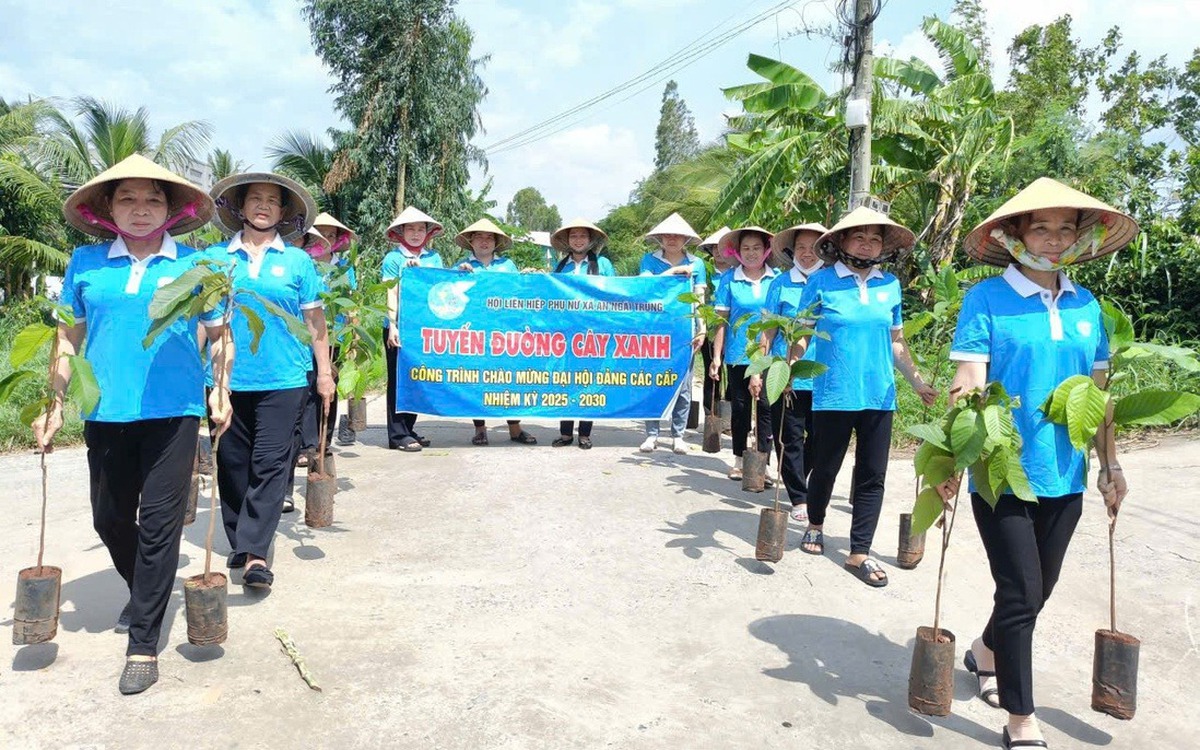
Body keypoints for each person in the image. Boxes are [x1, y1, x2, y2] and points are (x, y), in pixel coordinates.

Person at [939, 178, 1133, 748]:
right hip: (1001, 469)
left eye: (1065, 229)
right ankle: (1021, 718)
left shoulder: (1086, 305)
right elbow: (967, 383)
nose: (1053, 239)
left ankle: (985, 650)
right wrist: (952, 457)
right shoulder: (986, 300)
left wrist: (1111, 465)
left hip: (1065, 472)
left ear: (1079, 237)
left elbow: (1099, 396)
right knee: (1022, 593)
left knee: (1038, 588)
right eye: (1040, 227)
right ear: (1015, 236)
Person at [33, 154, 229, 694]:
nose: (141, 209)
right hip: (104, 409)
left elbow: (219, 336)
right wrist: (54, 402)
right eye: (128, 198)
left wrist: (221, 389)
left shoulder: (196, 266)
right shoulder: (86, 264)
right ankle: (146, 588)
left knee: (161, 524)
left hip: (174, 411)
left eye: (153, 199)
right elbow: (67, 339)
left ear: (171, 209)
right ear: (108, 207)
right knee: (110, 518)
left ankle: (143, 641)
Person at [793, 207, 937, 587]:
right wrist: (789, 367)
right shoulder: (821, 282)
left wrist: (917, 381)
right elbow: (803, 334)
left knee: (873, 475)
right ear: (841, 241)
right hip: (834, 392)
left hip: (879, 394)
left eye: (875, 239)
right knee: (826, 467)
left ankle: (860, 551)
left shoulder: (889, 285)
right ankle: (815, 523)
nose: (867, 245)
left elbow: (896, 341)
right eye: (859, 237)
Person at [208, 172, 329, 590]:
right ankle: (240, 539)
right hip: (226, 379)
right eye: (255, 198)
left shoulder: (297, 262)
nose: (263, 206)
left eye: (272, 201)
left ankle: (256, 553)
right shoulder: (216, 259)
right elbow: (203, 323)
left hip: (284, 377)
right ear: (240, 207)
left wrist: (324, 373)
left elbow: (315, 321)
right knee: (231, 464)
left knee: (271, 463)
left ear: (283, 213)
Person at [762, 222, 827, 522]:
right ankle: (799, 496)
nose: (807, 254)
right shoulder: (780, 283)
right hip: (785, 373)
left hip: (823, 375)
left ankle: (802, 477)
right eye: (800, 247)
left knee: (820, 438)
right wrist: (758, 369)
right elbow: (768, 329)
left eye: (813, 248)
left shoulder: (831, 283)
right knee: (789, 436)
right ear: (792, 251)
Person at [454, 218, 537, 446]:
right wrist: (459, 276)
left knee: (509, 379)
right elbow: (448, 293)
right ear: (471, 241)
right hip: (475, 333)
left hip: (504, 332)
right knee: (476, 379)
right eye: (479, 237)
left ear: (496, 242)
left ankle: (515, 428)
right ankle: (480, 429)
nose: (484, 241)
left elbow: (520, 295)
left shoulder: (507, 266)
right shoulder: (460, 266)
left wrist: (527, 278)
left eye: (489, 237)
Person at [708, 226, 777, 480]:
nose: (751, 253)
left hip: (770, 354)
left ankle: (763, 462)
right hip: (738, 354)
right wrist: (717, 357)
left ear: (766, 250)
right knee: (740, 407)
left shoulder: (777, 279)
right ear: (737, 252)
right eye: (746, 248)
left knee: (766, 407)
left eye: (756, 247)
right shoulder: (729, 279)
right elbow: (722, 322)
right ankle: (739, 458)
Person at [638, 213, 706, 454]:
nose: (672, 239)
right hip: (654, 330)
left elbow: (699, 298)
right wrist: (674, 272)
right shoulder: (649, 260)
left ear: (685, 239)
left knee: (684, 385)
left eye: (677, 235)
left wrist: (702, 328)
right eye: (667, 235)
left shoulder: (697, 264)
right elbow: (645, 288)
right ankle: (652, 434)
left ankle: (678, 434)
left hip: (684, 330)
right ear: (660, 238)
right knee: (652, 382)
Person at [382, 206, 445, 451]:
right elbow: (390, 291)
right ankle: (397, 435)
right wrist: (393, 326)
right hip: (399, 327)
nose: (416, 234)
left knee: (417, 379)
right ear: (401, 232)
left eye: (421, 229)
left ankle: (408, 429)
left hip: (422, 329)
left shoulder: (433, 258)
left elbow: (440, 287)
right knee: (398, 380)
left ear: (428, 233)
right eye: (411, 229)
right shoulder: (393, 259)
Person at [549, 218, 615, 449]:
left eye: (583, 236)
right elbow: (550, 296)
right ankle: (566, 433)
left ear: (590, 240)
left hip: (594, 334)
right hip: (566, 335)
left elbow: (613, 294)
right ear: (567, 240)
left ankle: (585, 433)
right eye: (574, 236)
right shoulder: (560, 267)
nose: (578, 240)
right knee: (565, 381)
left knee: (589, 381)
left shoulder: (603, 265)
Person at [312, 212, 361, 447]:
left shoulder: (344, 269)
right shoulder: (304, 263)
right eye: (320, 234)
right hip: (305, 335)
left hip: (335, 335)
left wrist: (354, 336)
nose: (325, 240)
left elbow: (351, 303)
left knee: (329, 385)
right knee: (305, 389)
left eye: (330, 235)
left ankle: (324, 440)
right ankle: (307, 442)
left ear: (337, 240)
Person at [698, 227, 733, 421]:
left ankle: (729, 415)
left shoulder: (737, 274)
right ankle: (711, 412)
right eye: (714, 247)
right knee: (712, 369)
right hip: (711, 329)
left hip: (734, 330)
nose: (718, 251)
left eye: (723, 247)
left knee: (734, 373)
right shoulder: (706, 274)